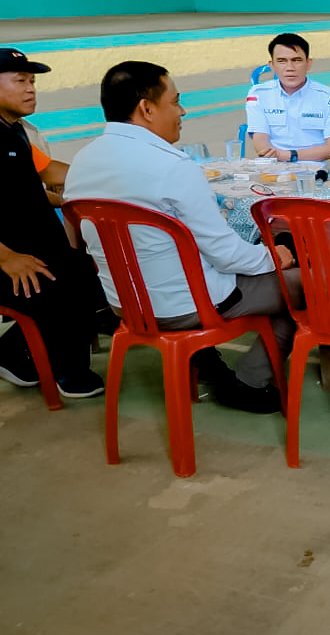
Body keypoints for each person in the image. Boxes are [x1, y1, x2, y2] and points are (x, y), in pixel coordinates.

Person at [65, 61, 302, 413]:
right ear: (147, 109)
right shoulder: (174, 166)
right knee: (311, 282)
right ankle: (251, 383)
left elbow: (78, 240)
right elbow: (227, 256)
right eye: (175, 101)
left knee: (187, 263)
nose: (182, 111)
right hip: (188, 307)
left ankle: (209, 364)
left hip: (125, 305)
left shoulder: (82, 162)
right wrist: (275, 257)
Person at [0, 48, 105, 398]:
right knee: (66, 287)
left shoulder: (16, 131)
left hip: (40, 248)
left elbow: (49, 172)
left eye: (32, 81)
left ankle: (14, 355)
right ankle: (66, 371)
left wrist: (112, 175)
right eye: (20, 81)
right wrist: (6, 258)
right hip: (10, 259)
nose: (31, 89)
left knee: (96, 274)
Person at [245, 33, 330, 164]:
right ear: (272, 65)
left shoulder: (327, 97)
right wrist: (269, 153)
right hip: (272, 165)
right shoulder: (259, 94)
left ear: (308, 63)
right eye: (281, 61)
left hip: (312, 169)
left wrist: (288, 155)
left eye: (296, 60)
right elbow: (260, 137)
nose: (290, 68)